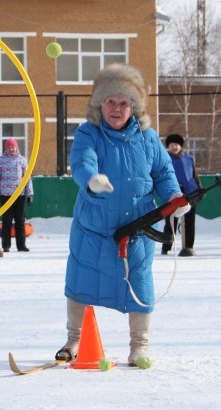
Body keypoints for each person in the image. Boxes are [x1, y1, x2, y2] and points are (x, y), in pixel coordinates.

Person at [54, 63, 190, 367]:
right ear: (100, 104)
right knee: (80, 280)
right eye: (110, 101)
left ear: (134, 107)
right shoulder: (88, 133)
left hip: (137, 229)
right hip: (94, 229)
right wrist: (90, 179)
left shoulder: (149, 138)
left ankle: (139, 346)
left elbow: (164, 172)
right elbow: (81, 161)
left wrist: (173, 197)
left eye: (123, 102)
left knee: (139, 282)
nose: (116, 108)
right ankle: (74, 340)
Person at [161, 134, 202, 257]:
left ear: (180, 146)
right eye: (171, 145)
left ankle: (188, 247)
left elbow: (194, 175)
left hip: (191, 194)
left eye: (176, 145)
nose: (174, 147)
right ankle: (166, 247)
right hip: (174, 195)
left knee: (190, 222)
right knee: (171, 222)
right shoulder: (165, 159)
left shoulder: (188, 158)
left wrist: (198, 188)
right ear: (168, 147)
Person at [0, 138, 33, 252]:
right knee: (7, 221)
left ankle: (21, 245)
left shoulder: (22, 160)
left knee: (20, 220)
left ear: (17, 147)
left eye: (13, 147)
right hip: (5, 194)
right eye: (9, 147)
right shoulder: (1, 160)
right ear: (6, 149)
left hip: (19, 195)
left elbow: (27, 178)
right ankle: (6, 245)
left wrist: (30, 193)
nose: (11, 149)